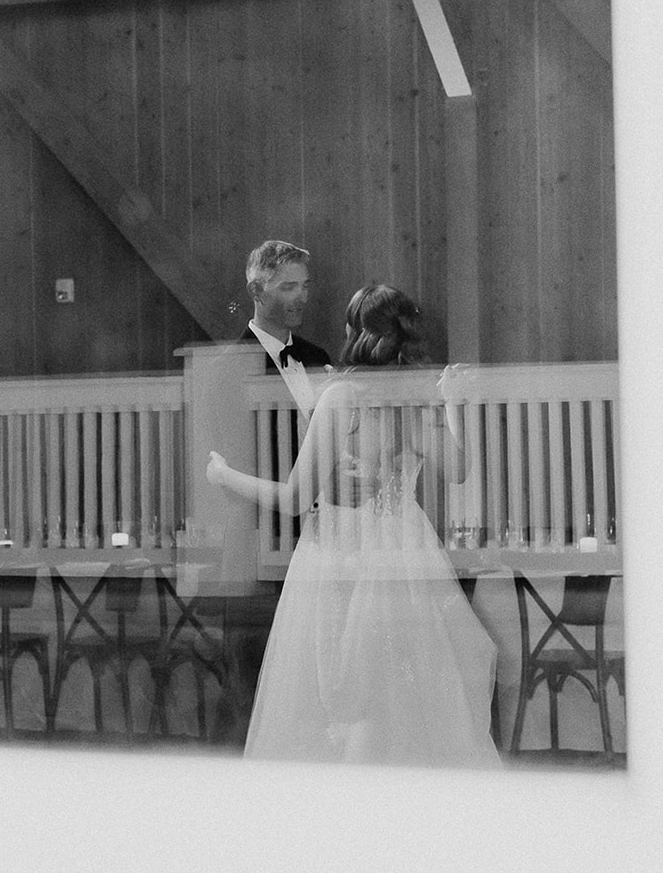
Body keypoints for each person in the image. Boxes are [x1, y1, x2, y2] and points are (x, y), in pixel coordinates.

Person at [207, 283, 500, 767]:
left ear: (354, 332)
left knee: (339, 701)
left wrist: (224, 476)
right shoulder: (418, 399)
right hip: (407, 553)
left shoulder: (341, 398)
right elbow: (458, 470)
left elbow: (295, 498)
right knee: (404, 699)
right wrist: (451, 403)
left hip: (342, 555)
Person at [242, 239, 330, 420]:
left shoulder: (318, 357)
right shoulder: (231, 367)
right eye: (289, 287)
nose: (303, 298)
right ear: (255, 291)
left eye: (305, 286)